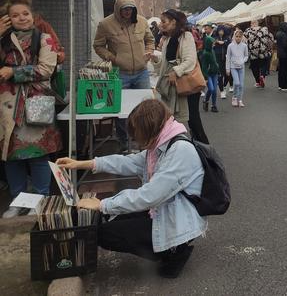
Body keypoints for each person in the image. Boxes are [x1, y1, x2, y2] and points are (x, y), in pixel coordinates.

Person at [55, 99, 206, 278]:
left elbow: (149, 196)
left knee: (104, 234)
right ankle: (166, 247)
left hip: (175, 220)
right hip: (164, 210)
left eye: (141, 138)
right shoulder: (163, 141)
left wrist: (102, 204)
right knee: (112, 220)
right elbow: (128, 162)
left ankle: (174, 250)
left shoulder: (180, 151)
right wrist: (82, 164)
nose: (139, 144)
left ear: (152, 130)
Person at [0, 0, 61, 217]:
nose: (21, 18)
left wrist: (13, 72)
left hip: (35, 104)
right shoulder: (3, 40)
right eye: (15, 15)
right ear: (7, 19)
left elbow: (46, 69)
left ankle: (40, 199)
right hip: (6, 107)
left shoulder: (44, 39)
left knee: (38, 155)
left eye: (25, 13)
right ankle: (17, 201)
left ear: (32, 15)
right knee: (11, 156)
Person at [94, 0, 155, 152]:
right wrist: (112, 58)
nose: (128, 12)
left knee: (145, 109)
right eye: (124, 9)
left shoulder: (141, 21)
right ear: (118, 9)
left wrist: (148, 52)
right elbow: (98, 45)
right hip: (120, 73)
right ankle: (123, 143)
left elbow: (150, 40)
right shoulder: (105, 24)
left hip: (142, 72)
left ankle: (145, 142)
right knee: (121, 112)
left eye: (130, 8)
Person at [152, 10, 209, 144]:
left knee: (193, 122)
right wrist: (155, 58)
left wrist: (175, 71)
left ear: (173, 22)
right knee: (177, 121)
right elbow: (166, 64)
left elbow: (190, 60)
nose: (161, 24)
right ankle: (186, 150)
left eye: (164, 21)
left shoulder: (186, 36)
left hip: (187, 85)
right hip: (175, 87)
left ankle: (207, 154)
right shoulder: (168, 38)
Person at [226, 29, 248, 107]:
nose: (238, 38)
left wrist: (243, 60)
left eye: (240, 36)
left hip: (241, 67)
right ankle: (234, 97)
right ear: (234, 36)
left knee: (241, 85)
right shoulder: (230, 46)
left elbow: (246, 56)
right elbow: (228, 57)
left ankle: (240, 100)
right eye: (237, 36)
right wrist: (227, 69)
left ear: (242, 37)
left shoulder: (244, 46)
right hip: (233, 67)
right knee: (237, 83)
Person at [201, 35, 220, 113]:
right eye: (212, 43)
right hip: (208, 74)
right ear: (208, 44)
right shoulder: (205, 54)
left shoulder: (212, 50)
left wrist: (218, 70)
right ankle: (206, 100)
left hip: (214, 73)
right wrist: (205, 77)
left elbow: (215, 62)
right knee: (211, 89)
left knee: (214, 90)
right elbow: (204, 67)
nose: (214, 44)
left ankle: (213, 105)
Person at [212, 25, 231, 99]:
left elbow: (229, 45)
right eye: (219, 31)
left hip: (226, 59)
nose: (221, 32)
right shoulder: (215, 37)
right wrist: (216, 42)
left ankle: (224, 86)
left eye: (222, 31)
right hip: (218, 59)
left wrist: (224, 43)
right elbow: (212, 45)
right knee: (220, 75)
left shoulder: (227, 38)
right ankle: (222, 91)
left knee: (227, 74)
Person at [275, 22, 287, 91]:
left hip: (280, 54)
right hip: (285, 54)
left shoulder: (278, 33)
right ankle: (285, 86)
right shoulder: (284, 34)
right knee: (285, 70)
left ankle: (280, 85)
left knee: (281, 70)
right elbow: (286, 45)